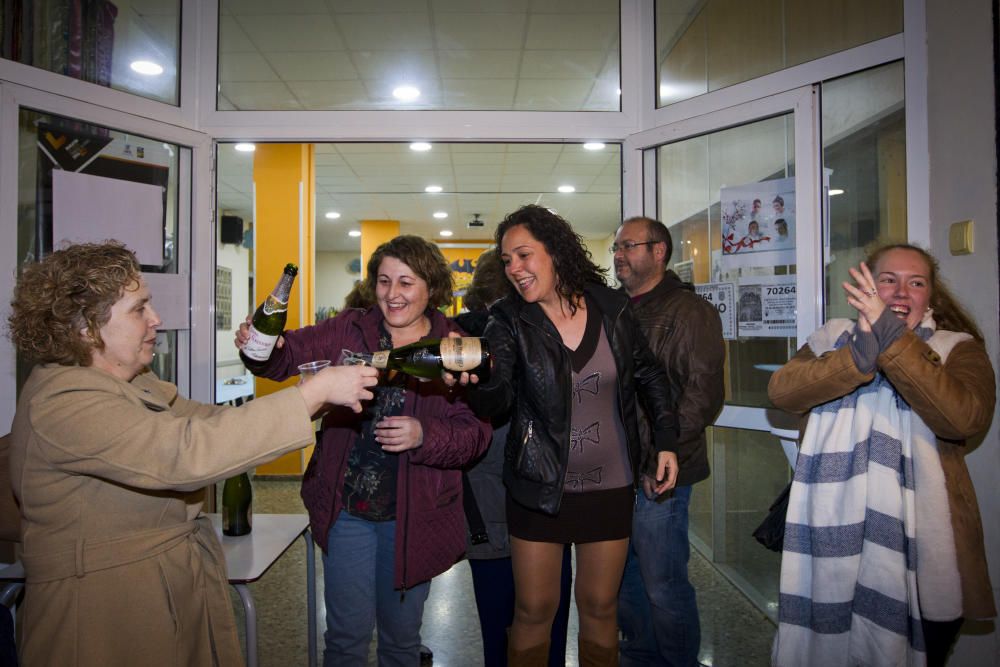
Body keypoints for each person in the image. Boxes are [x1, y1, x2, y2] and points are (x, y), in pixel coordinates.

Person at [7, 241, 378, 666]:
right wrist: (310, 398)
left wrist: (311, 396)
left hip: (158, 589)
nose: (156, 320)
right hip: (100, 615)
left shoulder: (133, 381)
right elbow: (184, 454)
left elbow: (206, 423)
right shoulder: (64, 400)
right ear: (87, 328)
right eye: (139, 309)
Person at [237, 235, 490, 667]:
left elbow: (475, 436)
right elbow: (281, 361)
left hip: (416, 515)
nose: (393, 294)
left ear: (431, 287)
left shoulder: (454, 345)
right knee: (345, 642)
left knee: (401, 643)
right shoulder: (348, 328)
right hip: (348, 511)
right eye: (385, 281)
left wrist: (423, 435)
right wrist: (262, 346)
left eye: (407, 282)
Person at [449, 205, 679, 666]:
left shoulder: (612, 308)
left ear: (554, 252)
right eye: (507, 259)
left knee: (600, 608)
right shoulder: (508, 320)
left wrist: (667, 441)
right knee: (534, 610)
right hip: (537, 489)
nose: (514, 268)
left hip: (610, 488)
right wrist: (475, 384)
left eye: (524, 255)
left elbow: (650, 376)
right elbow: (498, 402)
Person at [768, 244, 995, 667]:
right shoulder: (832, 337)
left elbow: (961, 419)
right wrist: (857, 357)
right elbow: (783, 390)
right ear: (868, 288)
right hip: (829, 541)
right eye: (888, 280)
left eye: (916, 282)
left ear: (932, 296)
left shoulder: (956, 349)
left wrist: (892, 343)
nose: (901, 292)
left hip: (926, 553)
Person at [612, 217, 725, 667]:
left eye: (628, 246)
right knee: (626, 579)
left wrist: (664, 451)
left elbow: (704, 393)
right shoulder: (616, 309)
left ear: (659, 252)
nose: (619, 255)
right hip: (619, 468)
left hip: (663, 471)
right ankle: (639, 655)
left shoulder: (689, 311)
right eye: (616, 248)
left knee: (663, 582)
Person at [455, 249, 573, 667]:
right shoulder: (472, 344)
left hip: (500, 511)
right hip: (524, 505)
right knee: (544, 620)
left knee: (503, 625)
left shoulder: (465, 340)